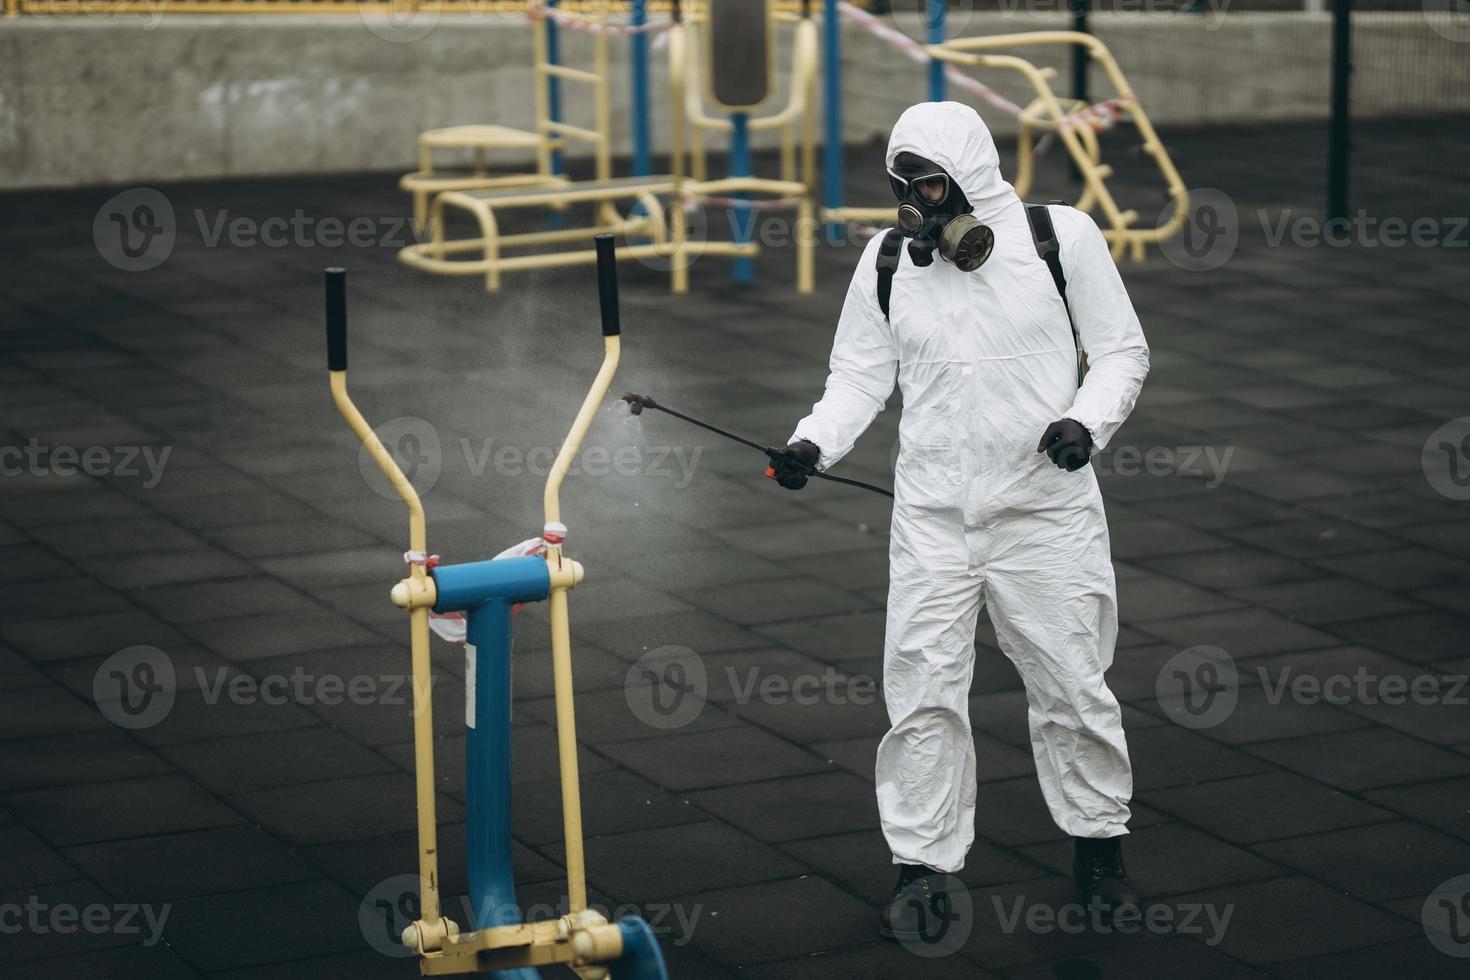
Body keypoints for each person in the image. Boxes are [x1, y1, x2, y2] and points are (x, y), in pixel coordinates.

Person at [769, 101, 1148, 940]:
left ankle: (1099, 844)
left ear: (971, 175)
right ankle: (923, 862)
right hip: (933, 517)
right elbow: (858, 377)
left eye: (931, 183)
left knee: (1072, 686)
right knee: (922, 694)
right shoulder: (886, 263)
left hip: (1044, 513)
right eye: (905, 186)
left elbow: (1121, 350)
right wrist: (813, 443)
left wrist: (1088, 422)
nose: (918, 203)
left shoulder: (1059, 239)